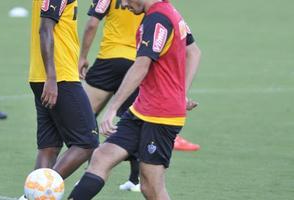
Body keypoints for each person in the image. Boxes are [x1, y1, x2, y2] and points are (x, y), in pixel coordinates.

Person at [67, 0, 201, 199]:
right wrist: (181, 94)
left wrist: (112, 108)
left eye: (126, 0)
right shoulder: (167, 11)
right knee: (102, 156)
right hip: (142, 109)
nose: (124, 5)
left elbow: (141, 66)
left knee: (151, 188)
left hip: (161, 115)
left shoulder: (157, 19)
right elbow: (194, 52)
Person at [19, 0, 99, 199]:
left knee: (49, 146)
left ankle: (30, 196)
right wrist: (52, 78)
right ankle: (39, 193)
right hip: (59, 78)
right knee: (87, 142)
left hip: (41, 77)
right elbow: (45, 29)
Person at [79, 0, 143, 191]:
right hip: (136, 64)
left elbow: (92, 24)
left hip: (108, 61)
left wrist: (82, 56)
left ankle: (91, 173)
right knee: (133, 122)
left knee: (84, 119)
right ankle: (135, 180)